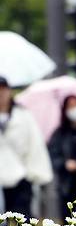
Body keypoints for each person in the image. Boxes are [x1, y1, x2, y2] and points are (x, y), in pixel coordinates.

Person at [0, 76, 53, 217]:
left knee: (22, 221)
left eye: (3, 89)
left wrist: (35, 173)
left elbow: (35, 145)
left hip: (21, 176)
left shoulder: (23, 115)